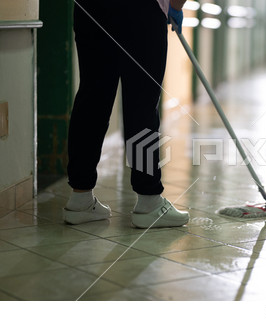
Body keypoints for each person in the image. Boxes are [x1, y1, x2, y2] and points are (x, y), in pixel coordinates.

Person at [63, 0, 189, 228]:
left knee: (92, 98)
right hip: (141, 9)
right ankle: (149, 201)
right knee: (142, 101)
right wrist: (177, 6)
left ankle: (80, 198)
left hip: (89, 7)